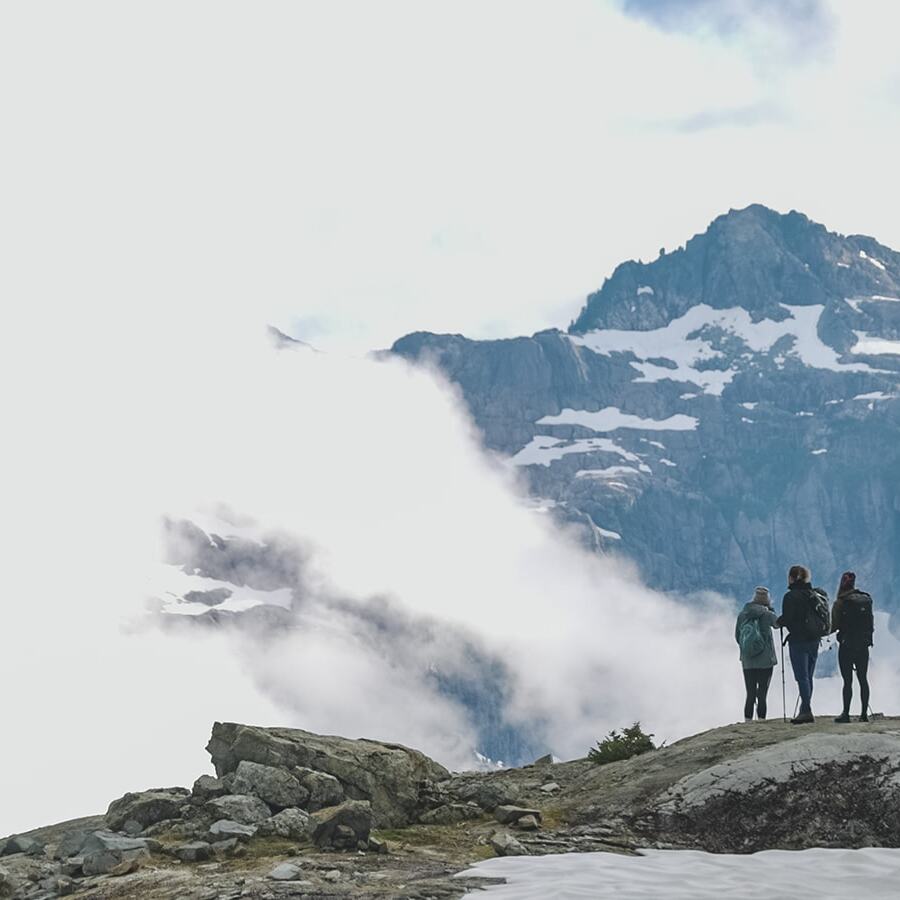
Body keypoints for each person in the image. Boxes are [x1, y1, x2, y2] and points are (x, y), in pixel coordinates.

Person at [776, 564, 827, 724]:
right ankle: (805, 709)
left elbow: (788, 618)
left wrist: (779, 622)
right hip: (814, 640)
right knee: (808, 676)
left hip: (798, 640)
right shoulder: (813, 594)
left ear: (792, 578)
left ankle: (806, 711)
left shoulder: (790, 596)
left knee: (801, 676)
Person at [831, 571, 874, 723]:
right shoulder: (865, 600)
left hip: (846, 645)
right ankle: (863, 714)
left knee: (847, 681)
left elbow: (833, 625)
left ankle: (846, 714)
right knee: (863, 679)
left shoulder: (840, 603)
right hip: (863, 645)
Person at [735, 587, 778, 722]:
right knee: (762, 694)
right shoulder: (767, 614)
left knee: (750, 693)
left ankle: (747, 721)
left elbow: (738, 636)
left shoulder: (743, 614)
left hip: (747, 661)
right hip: (765, 661)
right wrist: (772, 611)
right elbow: (778, 624)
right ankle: (761, 721)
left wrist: (748, 650)